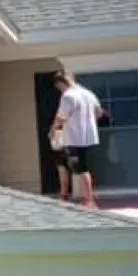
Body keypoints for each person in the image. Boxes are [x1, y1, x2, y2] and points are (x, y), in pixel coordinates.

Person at [50, 69, 104, 206]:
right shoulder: (88, 94)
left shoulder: (68, 96)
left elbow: (61, 117)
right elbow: (99, 112)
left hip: (75, 137)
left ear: (61, 83)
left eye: (58, 87)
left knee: (80, 168)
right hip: (89, 136)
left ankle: (89, 200)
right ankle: (71, 196)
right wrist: (87, 121)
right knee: (76, 166)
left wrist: (53, 130)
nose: (59, 90)